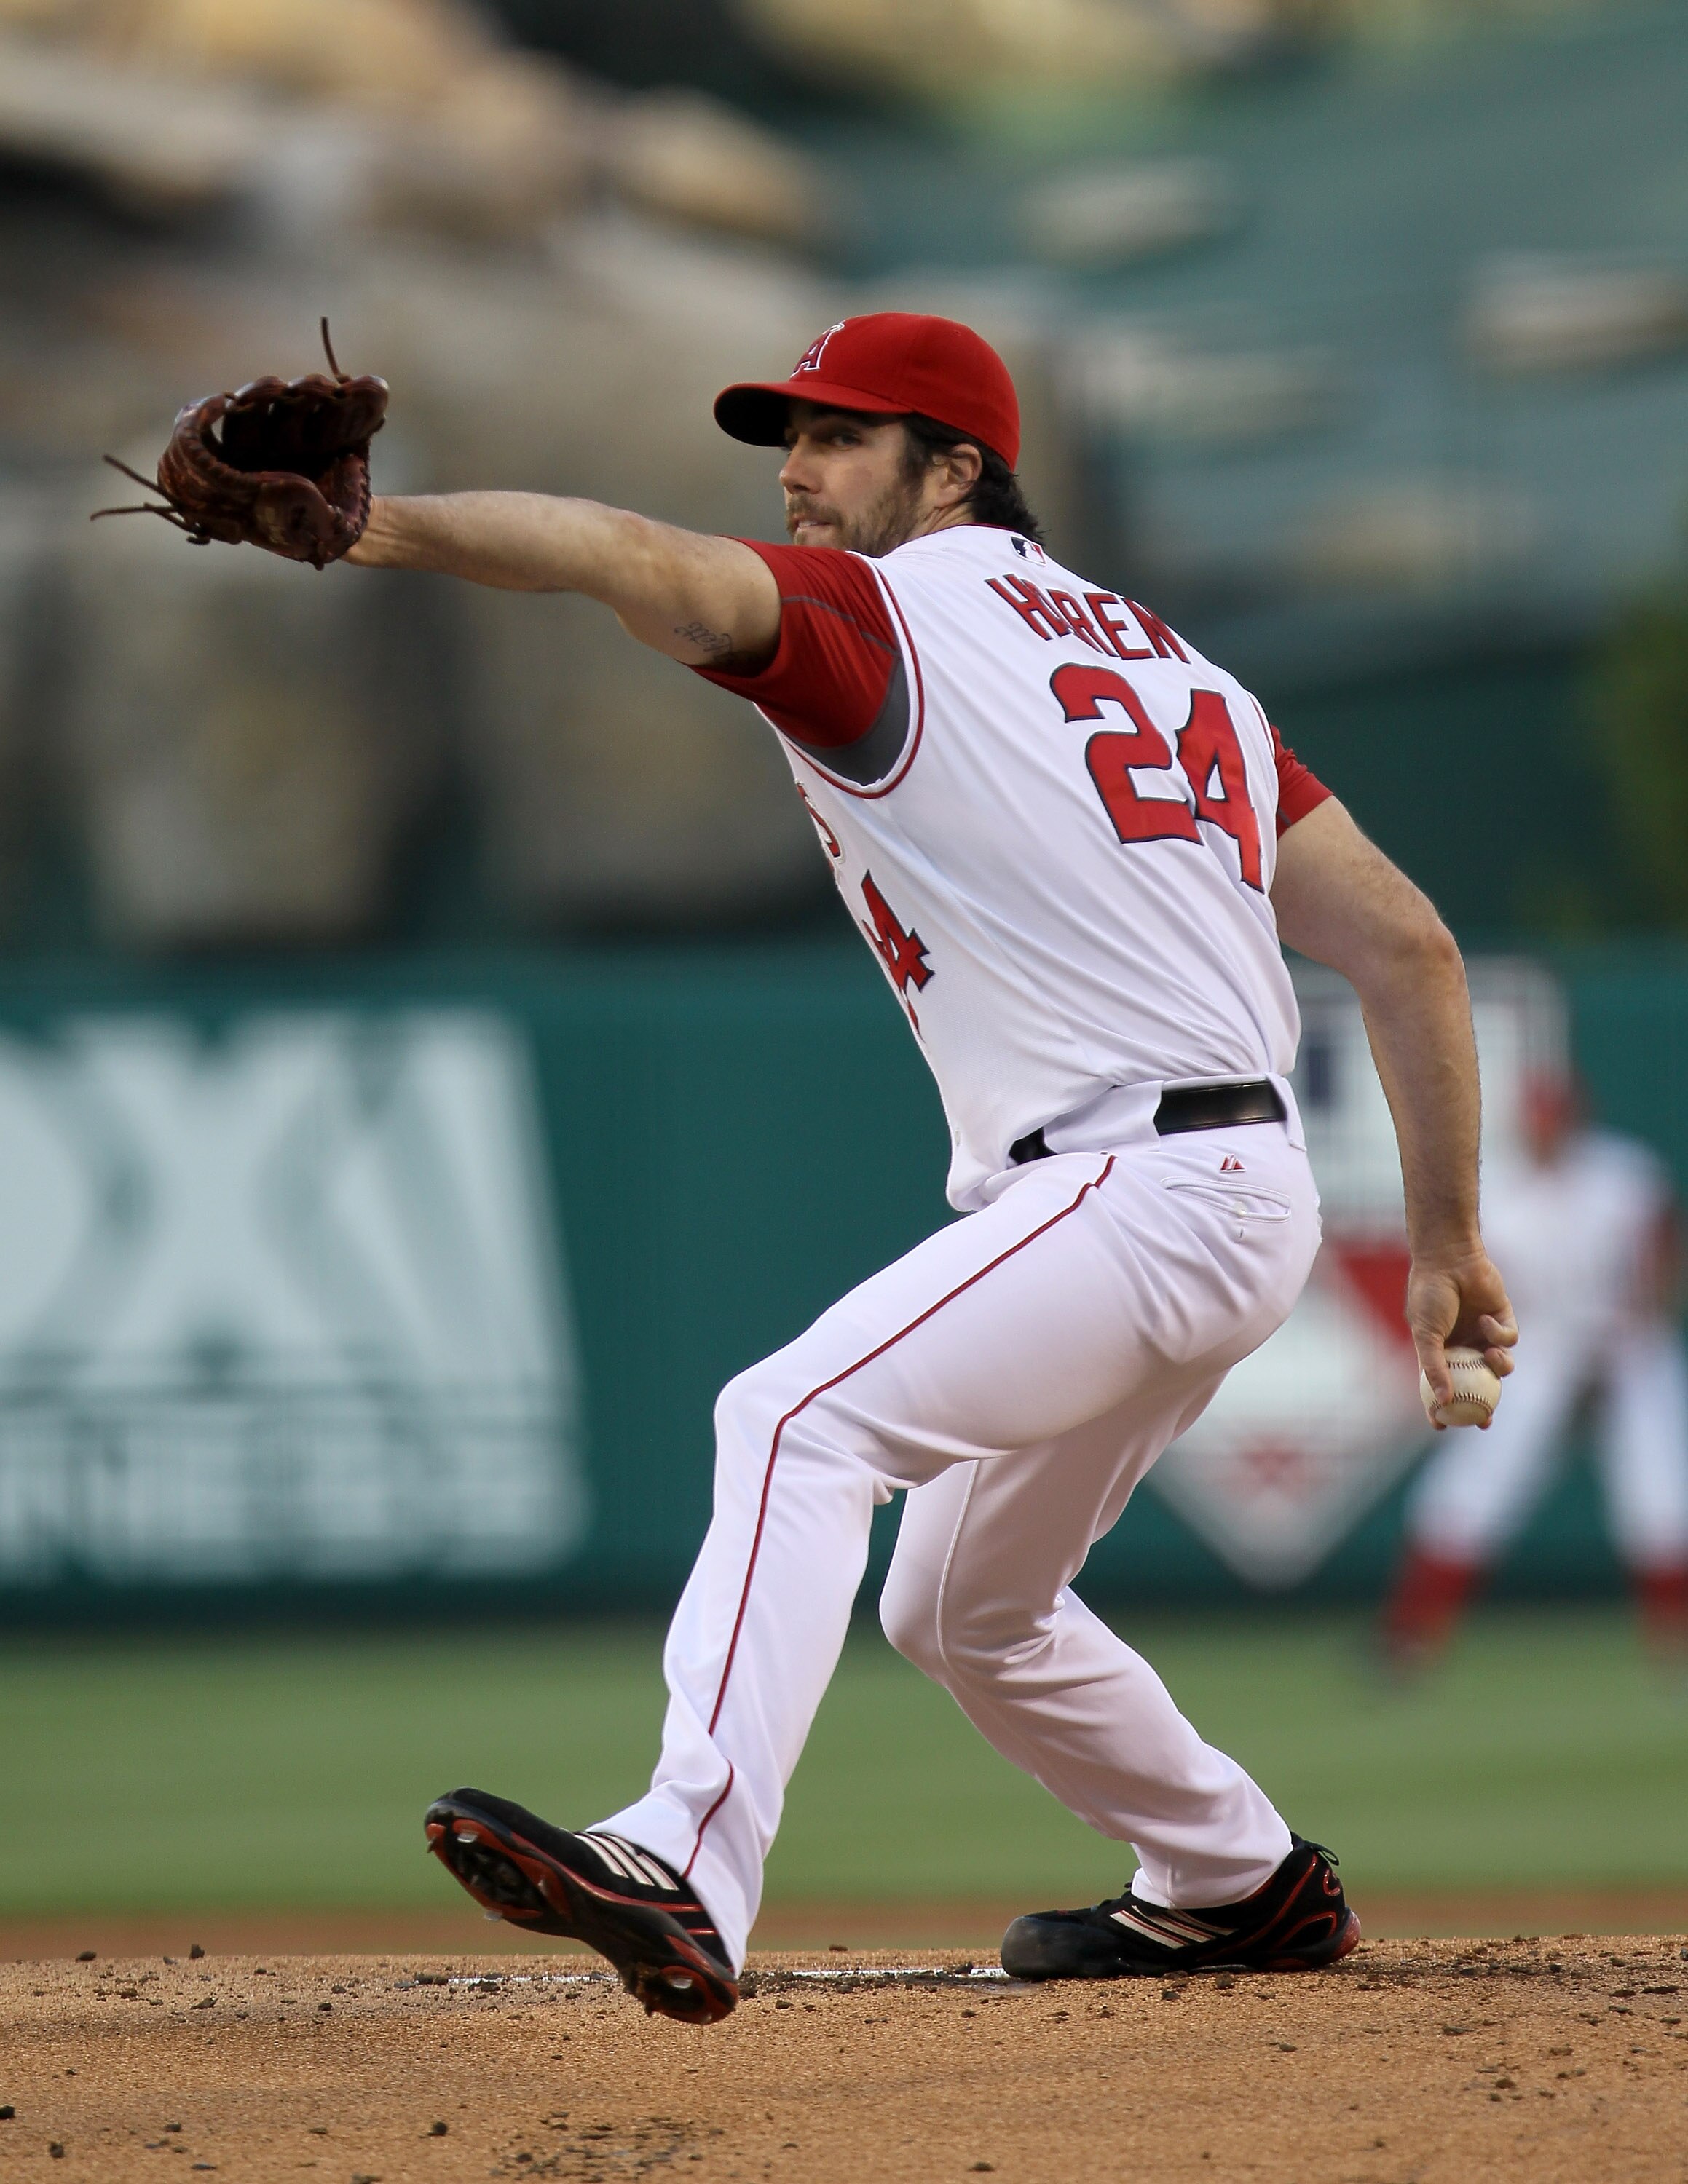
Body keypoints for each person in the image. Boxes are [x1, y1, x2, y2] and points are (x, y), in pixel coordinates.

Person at [347, 312, 1515, 2022]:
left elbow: (616, 551)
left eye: (839, 437)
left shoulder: (882, 614)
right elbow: (1406, 943)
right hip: (1225, 1188)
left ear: (955, 466)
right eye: (788, 440)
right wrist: (1444, 1239)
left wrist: (374, 526)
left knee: (792, 1417)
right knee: (966, 1606)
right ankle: (1232, 1877)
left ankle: (683, 1851)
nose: (799, 474)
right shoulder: (1181, 670)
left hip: (1134, 1189)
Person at [1384, 1069, 1688, 1666]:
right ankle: (1411, 1636)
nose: (1546, 1131)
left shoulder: (1620, 1174)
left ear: (1574, 1118)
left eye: (1555, 1118)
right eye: (1537, 1120)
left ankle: (1674, 1635)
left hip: (1626, 1344)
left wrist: (1636, 1321)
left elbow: (1658, 1254)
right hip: (1536, 1347)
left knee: (1660, 1494)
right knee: (1471, 1489)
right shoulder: (1494, 1188)